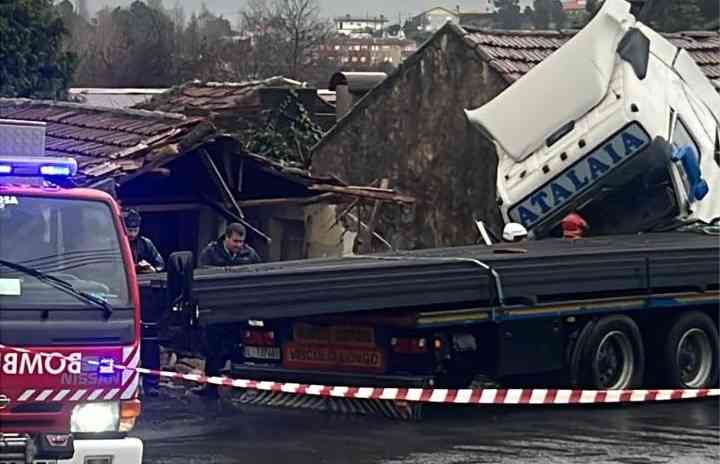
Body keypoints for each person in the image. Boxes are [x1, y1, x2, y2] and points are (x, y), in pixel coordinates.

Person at [195, 223, 262, 399]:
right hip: (215, 311)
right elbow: (202, 275)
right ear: (226, 238)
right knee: (212, 350)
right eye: (235, 241)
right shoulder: (211, 253)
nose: (238, 245)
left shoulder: (250, 254)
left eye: (241, 242)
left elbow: (258, 275)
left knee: (238, 349)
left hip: (238, 311)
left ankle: (239, 387)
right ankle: (210, 388)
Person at [123, 209, 164, 273]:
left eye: (135, 230)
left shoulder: (146, 243)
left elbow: (160, 264)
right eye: (130, 230)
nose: (132, 234)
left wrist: (153, 269)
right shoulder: (117, 244)